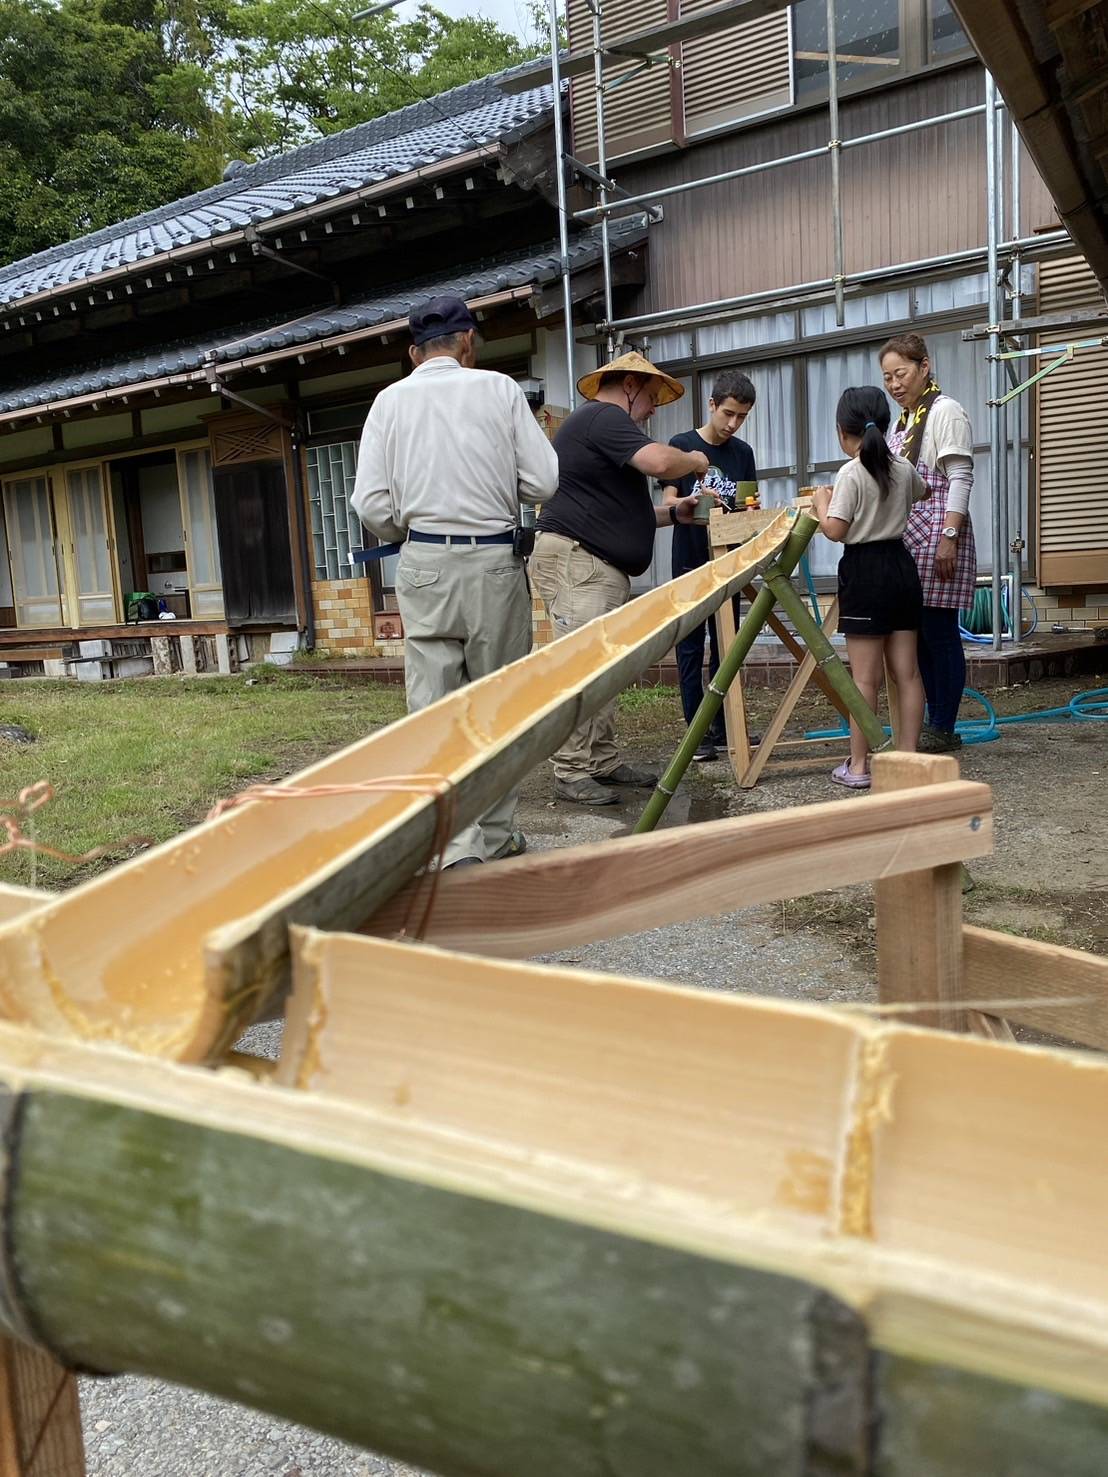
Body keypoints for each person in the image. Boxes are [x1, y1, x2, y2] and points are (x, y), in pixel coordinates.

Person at [351, 294, 559, 866]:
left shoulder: (388, 401)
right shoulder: (498, 390)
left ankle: (454, 846)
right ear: (468, 341)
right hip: (493, 561)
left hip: (422, 564)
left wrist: (410, 525)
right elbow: (543, 482)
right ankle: (492, 836)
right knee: (496, 705)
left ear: (413, 352)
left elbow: (369, 501)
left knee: (435, 710)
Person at [530, 350, 707, 806]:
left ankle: (601, 762)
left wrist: (674, 513)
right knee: (581, 669)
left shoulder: (602, 428)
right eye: (650, 399)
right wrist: (694, 458)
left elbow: (619, 513)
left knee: (602, 669)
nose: (651, 411)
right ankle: (571, 771)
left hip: (591, 561)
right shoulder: (604, 417)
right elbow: (661, 464)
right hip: (578, 561)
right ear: (630, 386)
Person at [810, 386, 928, 791]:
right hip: (901, 567)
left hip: (865, 572)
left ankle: (859, 766)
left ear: (843, 432)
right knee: (907, 673)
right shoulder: (901, 466)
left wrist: (821, 503)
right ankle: (910, 763)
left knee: (865, 679)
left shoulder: (851, 472)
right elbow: (923, 491)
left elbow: (835, 531)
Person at [879, 332, 978, 753]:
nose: (894, 384)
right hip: (910, 537)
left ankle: (943, 724)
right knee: (915, 633)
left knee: (939, 632)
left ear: (924, 366)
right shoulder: (904, 421)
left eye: (900, 373)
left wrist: (949, 538)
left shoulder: (944, 411)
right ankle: (930, 722)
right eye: (887, 378)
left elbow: (959, 477)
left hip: (939, 534)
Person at [661, 369, 757, 763]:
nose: (733, 424)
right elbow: (667, 502)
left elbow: (751, 505)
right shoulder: (682, 446)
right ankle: (697, 732)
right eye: (728, 414)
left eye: (742, 417)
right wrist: (692, 501)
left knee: (725, 647)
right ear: (712, 405)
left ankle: (722, 727)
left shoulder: (743, 454)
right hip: (689, 562)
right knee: (689, 648)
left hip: (729, 564)